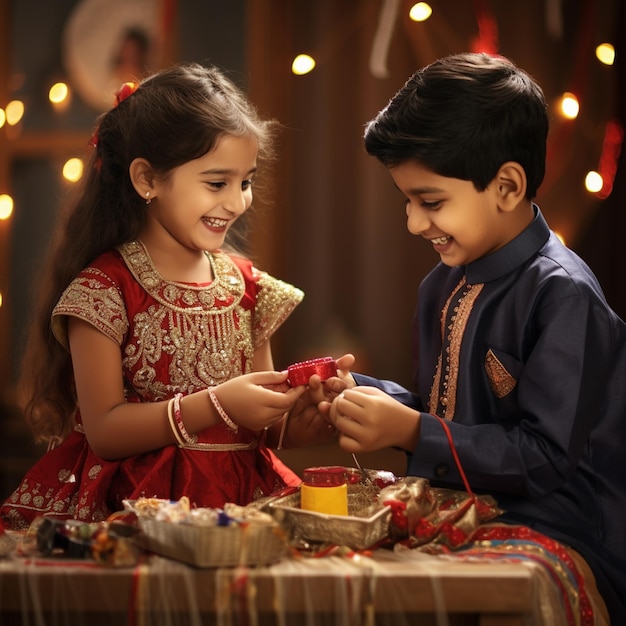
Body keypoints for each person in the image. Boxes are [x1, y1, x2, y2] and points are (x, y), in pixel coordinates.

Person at [316, 53, 626, 623]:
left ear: (506, 185)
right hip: (457, 509)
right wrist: (362, 395)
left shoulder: (564, 295)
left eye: (430, 202)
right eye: (407, 201)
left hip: (556, 524)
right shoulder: (441, 285)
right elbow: (449, 413)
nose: (413, 223)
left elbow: (544, 458)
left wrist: (408, 430)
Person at [1, 63, 334, 530]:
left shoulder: (248, 288)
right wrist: (218, 403)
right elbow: (105, 432)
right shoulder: (105, 291)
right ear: (146, 180)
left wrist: (306, 417)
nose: (237, 202)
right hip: (137, 512)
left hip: (243, 507)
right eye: (217, 183)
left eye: (246, 181)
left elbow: (261, 428)